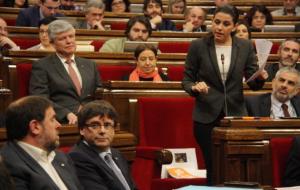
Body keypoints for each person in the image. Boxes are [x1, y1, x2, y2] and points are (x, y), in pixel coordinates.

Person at [182, 5, 268, 185]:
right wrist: (195, 87)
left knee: (236, 165)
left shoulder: (244, 46)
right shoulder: (198, 46)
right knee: (213, 166)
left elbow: (253, 83)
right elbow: (187, 80)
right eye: (217, 22)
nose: (219, 27)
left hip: (236, 114)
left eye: (226, 24)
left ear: (235, 26)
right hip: (206, 116)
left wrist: (260, 77)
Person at [0, 96, 83, 190]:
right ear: (35, 127)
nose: (58, 125)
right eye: (52, 119)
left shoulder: (60, 157)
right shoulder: (9, 165)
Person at [29, 20, 101, 125]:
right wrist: (65, 114)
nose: (69, 41)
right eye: (63, 38)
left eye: (71, 36)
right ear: (53, 43)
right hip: (62, 120)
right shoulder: (42, 66)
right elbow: (40, 98)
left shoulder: (90, 64)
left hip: (92, 118)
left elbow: (100, 93)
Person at [69, 100, 136, 190]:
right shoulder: (78, 158)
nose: (102, 131)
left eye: (107, 125)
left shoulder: (116, 154)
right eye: (95, 125)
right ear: (81, 129)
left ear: (114, 129)